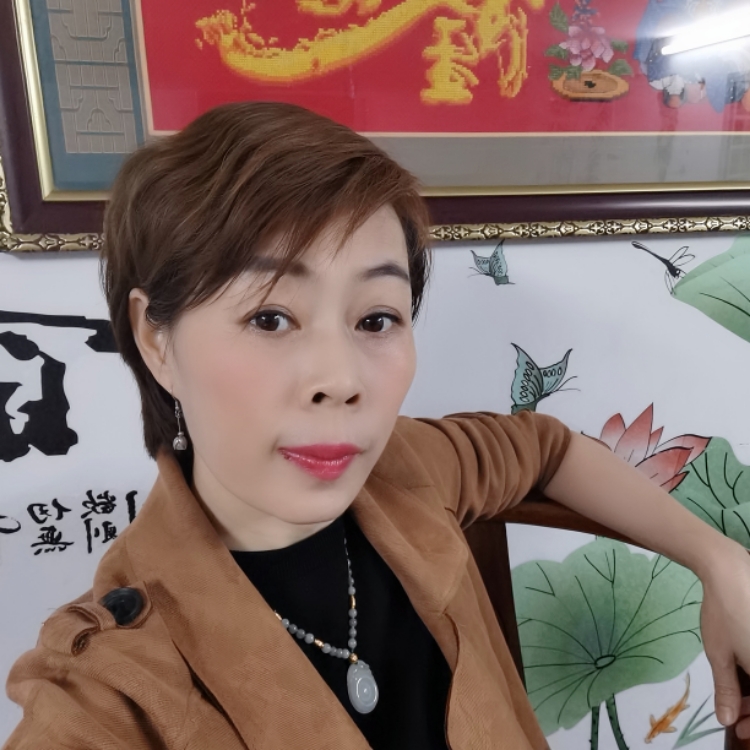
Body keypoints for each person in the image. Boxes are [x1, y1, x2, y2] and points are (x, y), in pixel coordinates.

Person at [3, 101, 750, 750]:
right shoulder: (114, 683)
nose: (341, 379)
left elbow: (545, 448)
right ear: (156, 339)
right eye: (270, 318)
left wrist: (719, 560)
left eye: (375, 319)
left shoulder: (407, 467)